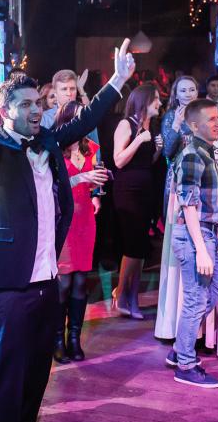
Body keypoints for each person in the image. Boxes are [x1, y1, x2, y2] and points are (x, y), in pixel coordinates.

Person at [0, 39, 136, 422]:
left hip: (47, 280)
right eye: (25, 104)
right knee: (10, 376)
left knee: (37, 372)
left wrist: (118, 79)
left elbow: (85, 119)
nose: (35, 110)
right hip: (11, 285)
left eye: (37, 103)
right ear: (6, 110)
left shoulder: (47, 140)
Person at [165, 99, 218, 388]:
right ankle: (186, 366)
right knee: (195, 300)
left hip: (207, 234)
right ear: (193, 126)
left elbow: (212, 204)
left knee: (214, 294)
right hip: (195, 236)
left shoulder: (206, 153)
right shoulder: (192, 155)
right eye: (211, 119)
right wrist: (201, 248)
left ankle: (180, 348)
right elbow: (188, 205)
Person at [52, 101, 108, 364]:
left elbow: (94, 180)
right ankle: (57, 339)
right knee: (63, 281)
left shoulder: (91, 148)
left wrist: (97, 191)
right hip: (64, 220)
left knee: (81, 281)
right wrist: (82, 179)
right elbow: (53, 186)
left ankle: (74, 337)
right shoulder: (54, 149)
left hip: (85, 219)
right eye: (78, 119)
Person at [112, 84, 163, 320]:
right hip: (128, 191)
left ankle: (133, 297)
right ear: (144, 101)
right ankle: (121, 293)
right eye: (156, 99)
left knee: (141, 247)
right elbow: (119, 160)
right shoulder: (126, 125)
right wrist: (139, 140)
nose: (160, 103)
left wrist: (157, 151)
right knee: (132, 246)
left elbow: (145, 162)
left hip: (145, 189)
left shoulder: (150, 126)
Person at [160, 76, 197, 217]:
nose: (188, 94)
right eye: (183, 90)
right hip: (179, 174)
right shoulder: (171, 116)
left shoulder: (204, 114)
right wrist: (176, 123)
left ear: (197, 92)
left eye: (191, 90)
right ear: (176, 95)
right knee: (179, 219)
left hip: (201, 172)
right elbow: (167, 151)